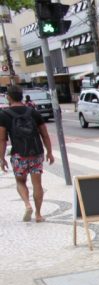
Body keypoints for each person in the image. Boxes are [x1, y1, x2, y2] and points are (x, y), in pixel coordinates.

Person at [0, 85, 55, 223]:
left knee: (20, 181)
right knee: (37, 184)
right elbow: (45, 134)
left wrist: (1, 158)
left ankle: (27, 204)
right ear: (22, 96)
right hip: (36, 153)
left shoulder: (4, 115)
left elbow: (2, 139)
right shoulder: (33, 112)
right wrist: (49, 152)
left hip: (19, 155)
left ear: (9, 97)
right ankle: (38, 214)